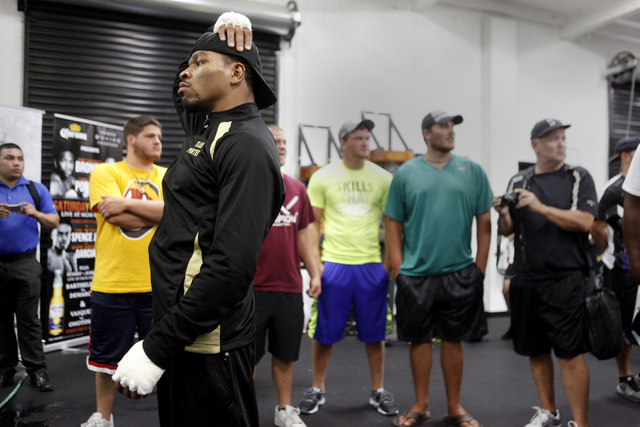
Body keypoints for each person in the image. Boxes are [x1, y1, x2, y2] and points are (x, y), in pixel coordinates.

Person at [112, 13, 285, 427]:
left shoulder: (246, 145)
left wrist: (156, 346)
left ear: (236, 73)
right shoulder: (208, 127)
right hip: (183, 331)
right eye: (188, 63)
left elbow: (231, 266)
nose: (185, 72)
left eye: (200, 63)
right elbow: (181, 89)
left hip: (208, 341)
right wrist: (213, 32)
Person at [385, 110, 492, 427]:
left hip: (460, 271)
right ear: (426, 134)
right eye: (443, 126)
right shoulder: (406, 173)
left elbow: (485, 222)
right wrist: (399, 269)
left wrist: (480, 269)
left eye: (452, 126)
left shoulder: (472, 171)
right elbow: (393, 224)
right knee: (418, 340)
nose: (450, 131)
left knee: (453, 339)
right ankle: (421, 404)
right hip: (415, 274)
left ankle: (454, 407)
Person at [494, 118, 597, 427]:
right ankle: (548, 412)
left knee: (569, 354)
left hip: (565, 278)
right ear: (535, 145)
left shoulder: (578, 176)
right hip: (526, 278)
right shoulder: (519, 180)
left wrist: (540, 208)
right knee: (536, 351)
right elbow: (508, 230)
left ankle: (580, 423)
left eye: (562, 138)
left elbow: (584, 222)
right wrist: (503, 214)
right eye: (553, 139)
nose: (561, 144)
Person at [299, 119, 398, 417]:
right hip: (334, 265)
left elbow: (392, 223)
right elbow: (311, 224)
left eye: (367, 138)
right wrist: (316, 265)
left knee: (375, 333)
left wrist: (387, 264)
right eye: (358, 138)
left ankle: (378, 390)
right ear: (343, 143)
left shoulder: (383, 178)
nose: (365, 143)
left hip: (370, 265)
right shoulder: (322, 177)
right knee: (324, 332)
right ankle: (317, 388)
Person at [82, 115, 165, 427]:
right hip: (113, 282)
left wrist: (126, 203)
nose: (158, 141)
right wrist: (161, 213)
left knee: (166, 358)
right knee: (106, 359)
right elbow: (116, 218)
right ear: (131, 139)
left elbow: (182, 214)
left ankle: (173, 417)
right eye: (151, 136)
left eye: (160, 136)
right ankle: (103, 417)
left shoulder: (168, 175)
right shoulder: (107, 172)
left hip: (158, 284)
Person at [253, 124, 321, 427]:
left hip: (289, 286)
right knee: (246, 356)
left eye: (284, 142)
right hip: (251, 288)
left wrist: (315, 273)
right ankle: (243, 411)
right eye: (275, 141)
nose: (281, 146)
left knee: (285, 355)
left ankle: (284, 410)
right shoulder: (246, 184)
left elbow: (305, 233)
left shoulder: (296, 189)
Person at [0, 142, 59, 392]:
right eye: (9, 158)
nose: (16, 163)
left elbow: (54, 221)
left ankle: (37, 371)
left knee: (29, 320)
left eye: (20, 158)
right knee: (1, 321)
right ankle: (5, 369)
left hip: (25, 263)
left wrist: (36, 214)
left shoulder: (36, 189)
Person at [591, 136, 640, 403]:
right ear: (626, 156)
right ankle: (625, 378)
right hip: (621, 269)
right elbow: (596, 227)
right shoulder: (612, 190)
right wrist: (613, 253)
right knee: (624, 324)